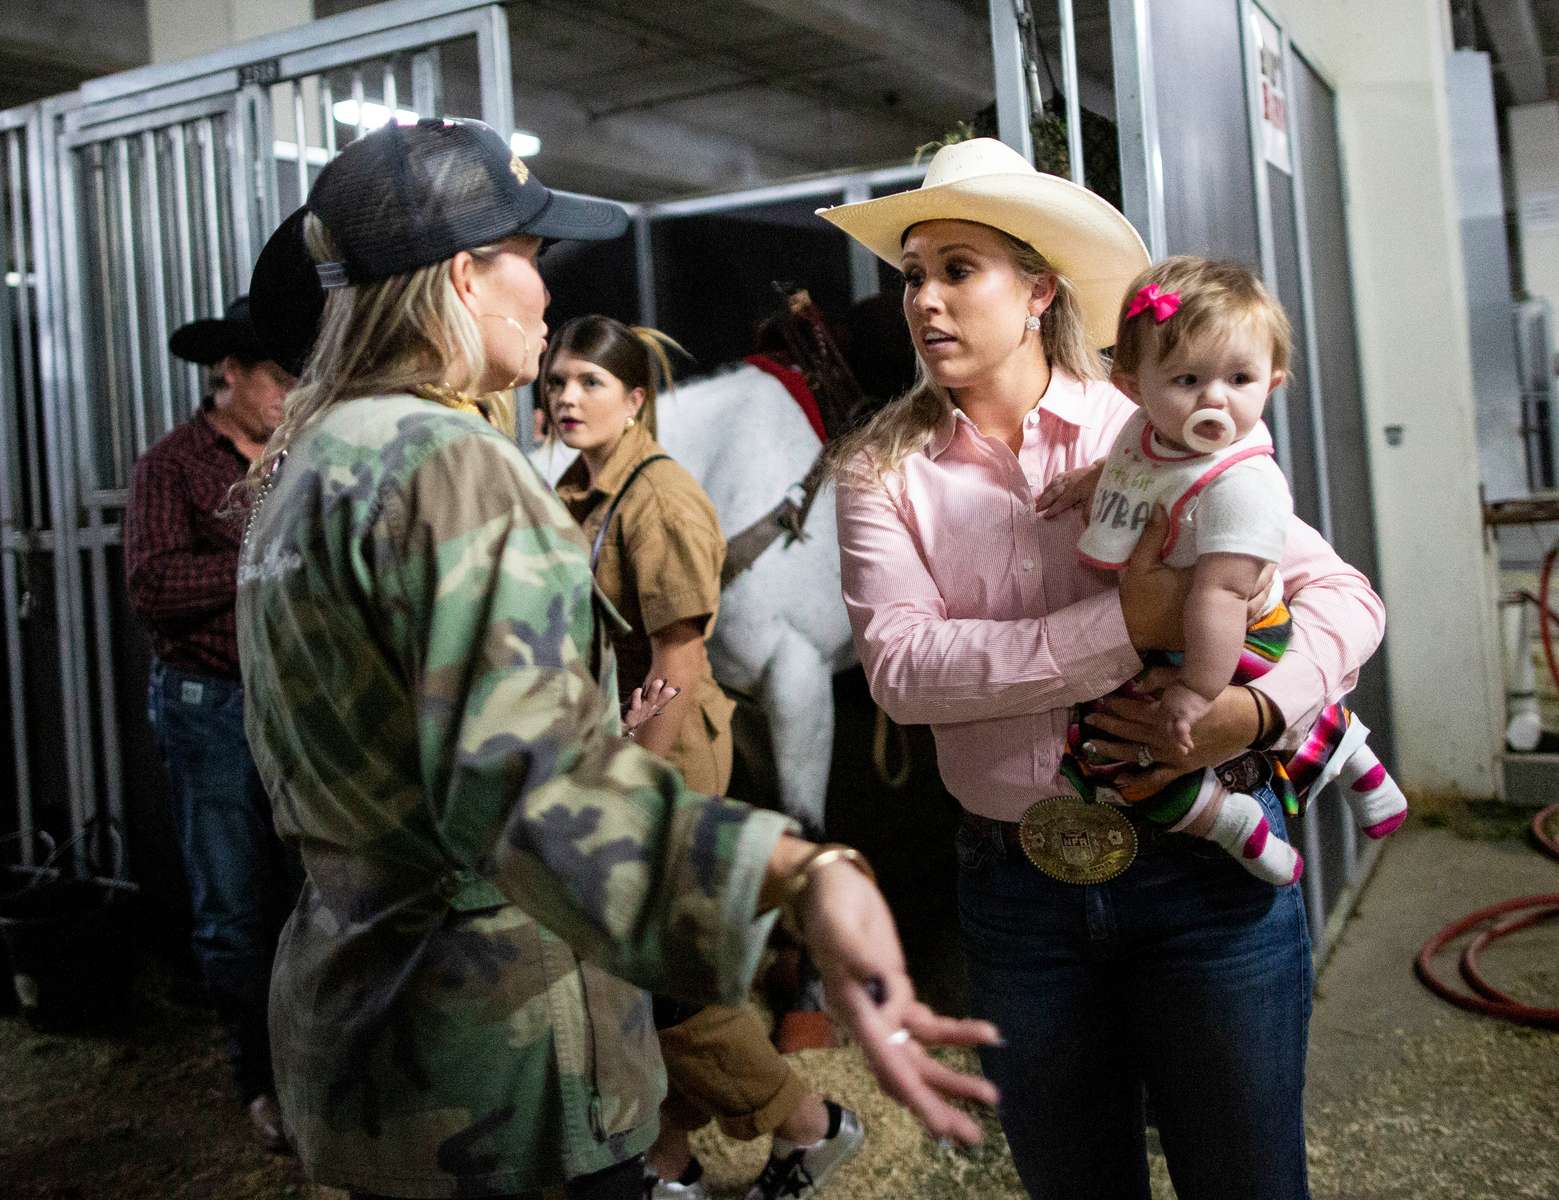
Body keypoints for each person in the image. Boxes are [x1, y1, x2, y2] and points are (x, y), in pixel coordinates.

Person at [237, 117, 997, 1200]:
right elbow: (525, 788)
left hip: (363, 1042)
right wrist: (792, 876)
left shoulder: (304, 463)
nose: (546, 295)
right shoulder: (450, 467)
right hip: (502, 1068)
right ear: (462, 276)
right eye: (530, 261)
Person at [817, 137, 1388, 1200]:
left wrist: (1252, 715)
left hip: (1202, 884)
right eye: (911, 276)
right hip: (1016, 891)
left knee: (1247, 1179)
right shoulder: (877, 470)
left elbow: (1340, 598)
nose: (924, 302)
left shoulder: (1150, 419)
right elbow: (898, 670)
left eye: (957, 270)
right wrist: (1127, 625)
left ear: (1037, 291)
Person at [542, 316, 864, 1200]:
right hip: (632, 740)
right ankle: (674, 1154)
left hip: (669, 747)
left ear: (638, 400)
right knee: (655, 972)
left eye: (590, 384)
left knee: (667, 981)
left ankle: (808, 1124)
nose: (568, 399)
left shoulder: (662, 498)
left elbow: (682, 661)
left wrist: (634, 787)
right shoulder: (588, 492)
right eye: (557, 384)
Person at [1053, 256, 1407, 884]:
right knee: (1109, 754)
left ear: (1271, 380)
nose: (1214, 399)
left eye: (1238, 378)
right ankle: (1231, 822)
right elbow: (1137, 465)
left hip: (1237, 630)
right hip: (1183, 638)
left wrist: (1198, 691)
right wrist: (1095, 479)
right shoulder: (1148, 435)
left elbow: (1219, 594)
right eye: (1188, 379)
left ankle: (1358, 763)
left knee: (1216, 696)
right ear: (1134, 388)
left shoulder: (1242, 483)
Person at [122, 295, 301, 1154]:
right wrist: (265, 561)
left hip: (297, 699)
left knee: (314, 889)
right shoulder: (172, 466)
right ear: (228, 375)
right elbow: (154, 583)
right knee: (233, 906)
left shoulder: (302, 454)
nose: (292, 394)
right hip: (213, 702)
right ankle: (259, 1080)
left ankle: (314, 1066)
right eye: (279, 377)